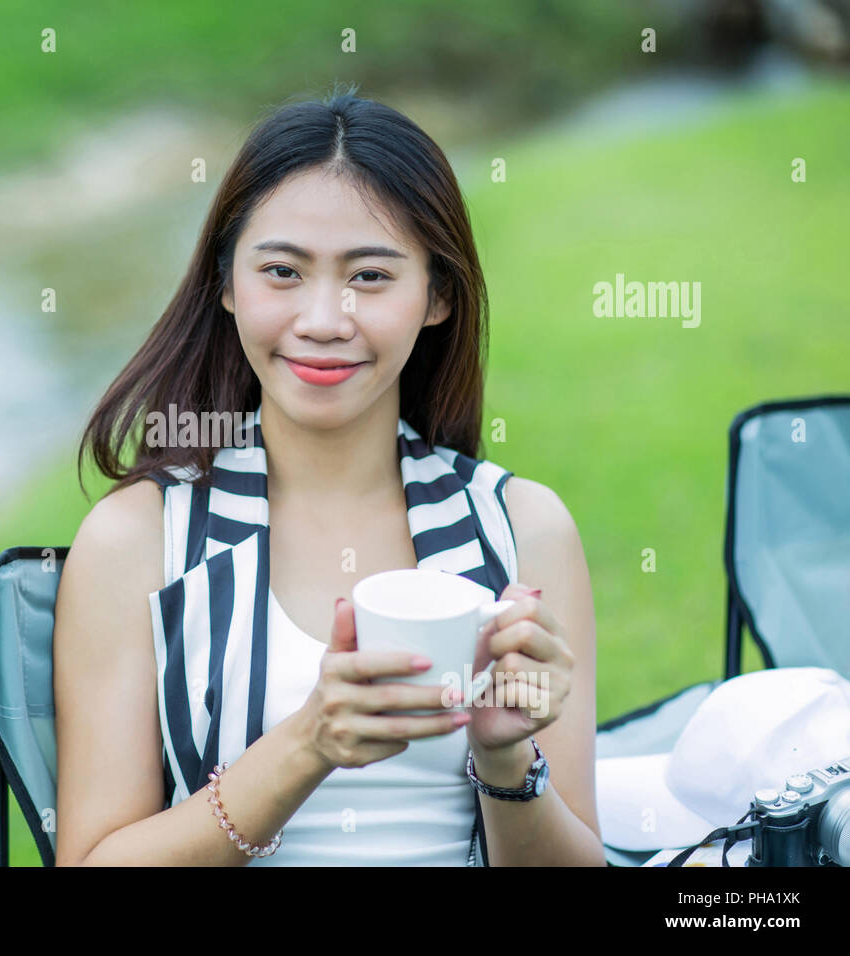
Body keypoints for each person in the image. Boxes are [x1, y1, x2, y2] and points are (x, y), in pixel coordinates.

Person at [52, 83, 604, 866]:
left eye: (371, 277)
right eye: (281, 271)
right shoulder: (140, 539)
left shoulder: (522, 529)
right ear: (225, 284)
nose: (322, 319)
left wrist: (508, 760)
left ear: (438, 295)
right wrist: (307, 745)